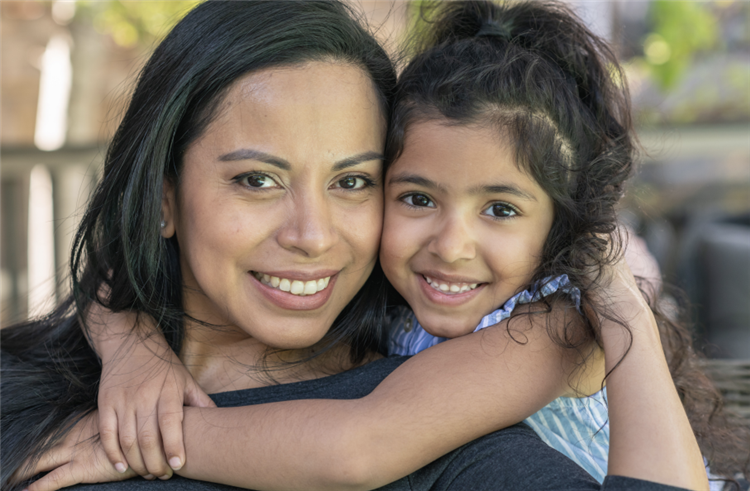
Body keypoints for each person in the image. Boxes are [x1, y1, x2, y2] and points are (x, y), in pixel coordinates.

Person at [1, 1, 726, 490]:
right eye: (255, 179)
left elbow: (359, 445)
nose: (312, 235)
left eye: (351, 182)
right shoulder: (417, 314)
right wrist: (128, 342)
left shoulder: (526, 350)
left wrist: (138, 440)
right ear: (163, 196)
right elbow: (111, 268)